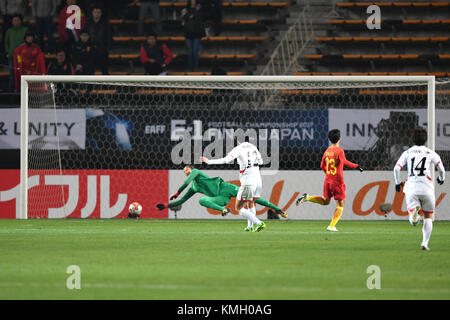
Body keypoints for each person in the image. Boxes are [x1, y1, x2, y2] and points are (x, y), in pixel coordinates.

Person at [156, 165, 287, 231]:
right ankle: (223, 210)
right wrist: (166, 205)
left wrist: (177, 192)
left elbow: (185, 183)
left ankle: (275, 210)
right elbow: (181, 201)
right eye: (184, 171)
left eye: (187, 169)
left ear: (192, 169)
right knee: (202, 201)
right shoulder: (194, 188)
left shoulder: (196, 172)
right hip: (220, 198)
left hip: (226, 188)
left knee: (252, 199)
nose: (186, 172)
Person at [295, 129, 363, 232]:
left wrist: (329, 174)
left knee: (326, 201)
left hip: (328, 180)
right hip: (337, 181)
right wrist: (356, 166)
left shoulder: (327, 151)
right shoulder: (340, 151)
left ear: (329, 139)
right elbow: (344, 162)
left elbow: (322, 165)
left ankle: (307, 198)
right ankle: (331, 226)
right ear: (339, 139)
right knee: (340, 204)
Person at [393, 127, 445, 251]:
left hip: (412, 187)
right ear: (425, 139)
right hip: (427, 188)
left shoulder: (407, 153)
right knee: (428, 216)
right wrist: (441, 179)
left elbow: (396, 168)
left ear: (412, 139)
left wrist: (397, 183)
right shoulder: (430, 153)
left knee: (413, 222)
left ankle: (414, 214)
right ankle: (425, 243)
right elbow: (441, 168)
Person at [201, 136, 266, 232]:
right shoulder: (253, 147)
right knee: (250, 202)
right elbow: (261, 162)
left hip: (248, 181)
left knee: (238, 208)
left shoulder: (238, 149)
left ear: (238, 139)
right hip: (258, 180)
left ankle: (259, 223)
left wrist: (209, 161)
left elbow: (225, 160)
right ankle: (250, 226)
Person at [85, 5, 112, 75]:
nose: (96, 14)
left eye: (98, 12)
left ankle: (106, 86)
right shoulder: (88, 23)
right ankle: (91, 86)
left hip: (102, 50)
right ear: (92, 13)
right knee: (90, 71)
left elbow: (109, 36)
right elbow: (85, 36)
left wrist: (107, 48)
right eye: (95, 12)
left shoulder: (106, 23)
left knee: (105, 71)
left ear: (101, 13)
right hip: (91, 50)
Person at [4, 14, 27, 92]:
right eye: (14, 20)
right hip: (11, 56)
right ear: (12, 22)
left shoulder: (25, 30)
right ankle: (12, 92)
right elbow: (6, 42)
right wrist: (7, 52)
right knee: (12, 75)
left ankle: (22, 91)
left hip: (22, 57)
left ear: (21, 21)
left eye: (18, 20)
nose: (16, 22)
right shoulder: (9, 31)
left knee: (22, 73)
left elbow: (27, 42)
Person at [181, 0, 204, 71]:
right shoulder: (185, 10)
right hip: (188, 34)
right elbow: (183, 19)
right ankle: (191, 69)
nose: (193, 3)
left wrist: (196, 11)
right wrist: (190, 12)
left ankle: (196, 68)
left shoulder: (199, 10)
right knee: (190, 52)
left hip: (197, 34)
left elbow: (200, 19)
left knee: (194, 52)